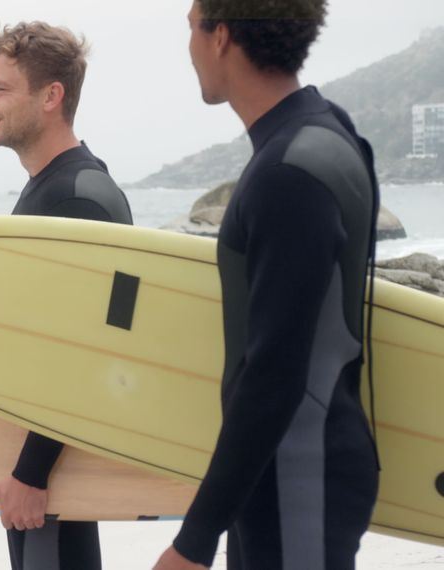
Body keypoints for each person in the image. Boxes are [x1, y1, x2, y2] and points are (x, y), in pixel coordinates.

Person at [154, 1, 380, 569]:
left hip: (297, 479)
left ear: (222, 35)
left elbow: (275, 371)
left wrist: (193, 542)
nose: (188, 48)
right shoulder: (329, 132)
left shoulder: (287, 174)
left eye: (190, 28)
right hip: (298, 471)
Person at [0, 22, 133, 570]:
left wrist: (33, 473)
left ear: (51, 96)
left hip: (54, 468)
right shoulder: (52, 189)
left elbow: (91, 348)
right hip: (46, 454)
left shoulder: (79, 199)